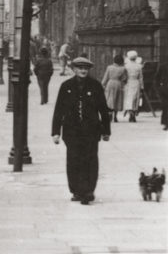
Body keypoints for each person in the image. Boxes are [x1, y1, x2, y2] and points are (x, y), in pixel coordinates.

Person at [51, 56, 111, 205]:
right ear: (73, 69)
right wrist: (56, 131)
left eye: (86, 68)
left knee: (90, 160)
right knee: (73, 161)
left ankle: (89, 190)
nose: (83, 71)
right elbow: (59, 110)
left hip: (91, 131)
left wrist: (106, 131)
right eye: (79, 68)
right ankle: (76, 191)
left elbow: (103, 109)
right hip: (72, 131)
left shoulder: (95, 86)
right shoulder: (66, 86)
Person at [100, 54, 127, 122]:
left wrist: (102, 84)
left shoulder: (109, 67)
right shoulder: (123, 68)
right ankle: (115, 116)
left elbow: (106, 77)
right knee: (117, 99)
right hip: (118, 84)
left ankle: (109, 113)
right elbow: (124, 78)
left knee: (109, 99)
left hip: (110, 83)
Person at [123, 50, 144, 122]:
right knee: (135, 99)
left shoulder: (126, 66)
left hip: (128, 82)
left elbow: (124, 76)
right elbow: (141, 77)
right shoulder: (139, 66)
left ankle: (130, 113)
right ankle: (134, 114)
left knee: (129, 98)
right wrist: (142, 86)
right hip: (136, 82)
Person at [156, 62, 168, 131]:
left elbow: (157, 77)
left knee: (165, 107)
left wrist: (159, 87)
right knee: (165, 106)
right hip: (165, 89)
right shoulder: (163, 66)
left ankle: (166, 123)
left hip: (164, 88)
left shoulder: (163, 66)